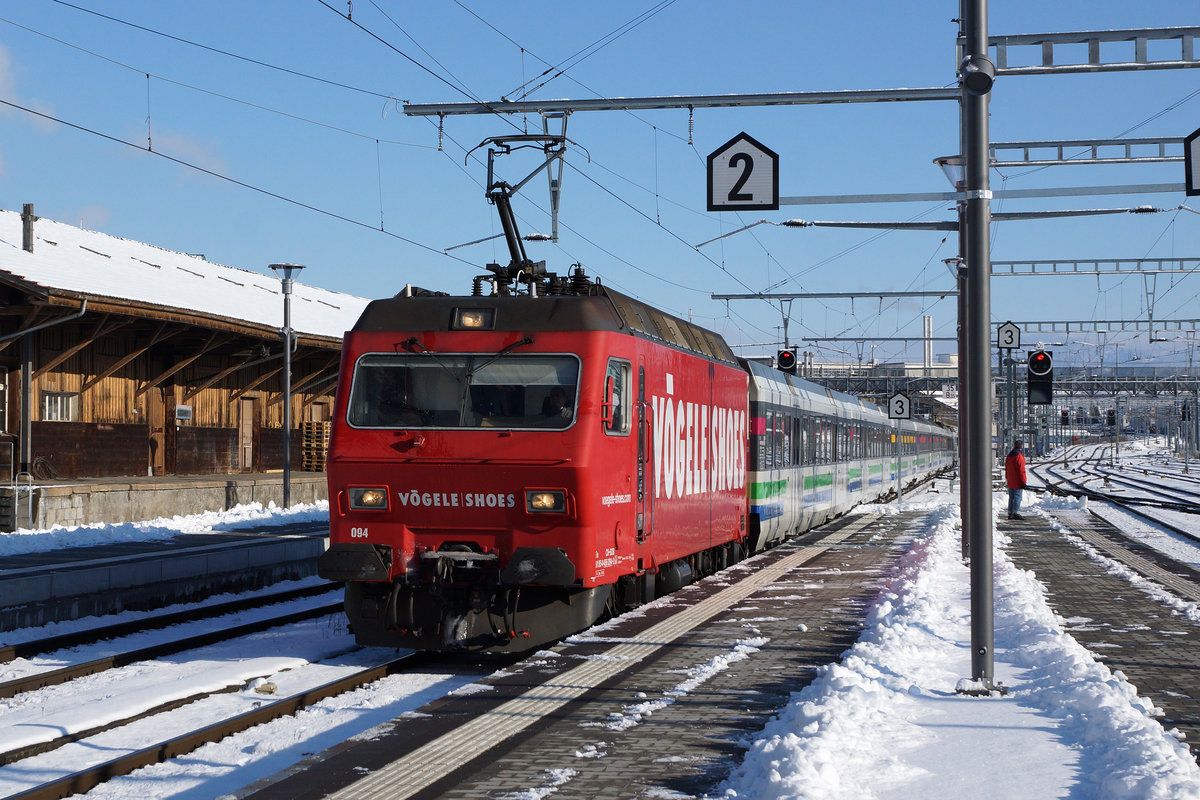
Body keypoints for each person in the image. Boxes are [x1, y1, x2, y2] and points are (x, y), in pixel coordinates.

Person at [1004, 439, 1027, 520]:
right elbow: (1021, 470)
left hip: (1010, 480)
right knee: (1017, 497)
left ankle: (1010, 512)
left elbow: (1006, 468)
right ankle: (1016, 512)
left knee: (1011, 497)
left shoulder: (1009, 456)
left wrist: (1007, 478)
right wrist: (1023, 482)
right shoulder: (1019, 456)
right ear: (1021, 447)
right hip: (1017, 481)